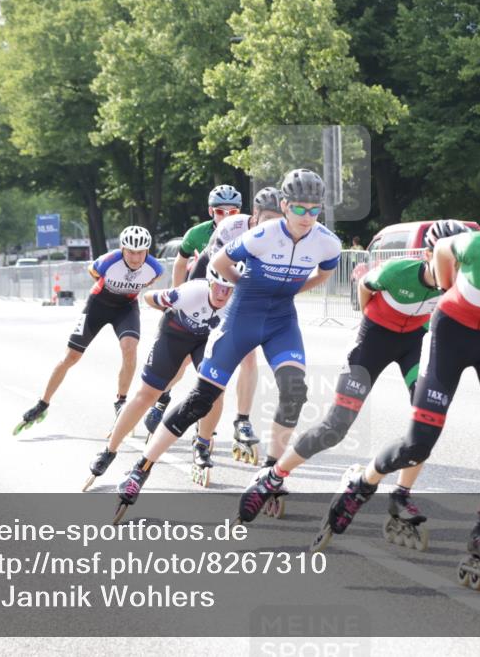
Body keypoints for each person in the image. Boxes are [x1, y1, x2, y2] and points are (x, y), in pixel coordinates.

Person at [313, 177, 480, 596]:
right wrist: (450, 289)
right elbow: (442, 251)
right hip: (449, 334)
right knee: (417, 445)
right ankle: (363, 482)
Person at [112, 169, 341, 518]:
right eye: (299, 208)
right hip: (242, 318)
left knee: (295, 392)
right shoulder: (262, 234)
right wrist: (244, 286)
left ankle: (270, 475)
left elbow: (324, 273)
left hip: (281, 322)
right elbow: (219, 261)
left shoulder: (327, 241)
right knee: (199, 401)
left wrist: (293, 290)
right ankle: (140, 469)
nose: (306, 217)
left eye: (314, 210)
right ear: (285, 205)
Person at [236, 219, 471, 542]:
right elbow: (364, 286)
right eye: (450, 260)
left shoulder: (461, 285)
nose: (456, 269)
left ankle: (401, 495)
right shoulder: (398, 271)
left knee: (427, 422)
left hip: (413, 346)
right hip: (372, 342)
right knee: (335, 427)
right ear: (430, 254)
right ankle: (272, 477)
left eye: (462, 261)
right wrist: (368, 323)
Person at [81, 263, 243, 491]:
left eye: (229, 289)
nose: (222, 294)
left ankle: (202, 445)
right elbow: (149, 297)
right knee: (146, 395)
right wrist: (168, 308)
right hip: (174, 335)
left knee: (214, 392)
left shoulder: (240, 303)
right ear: (209, 283)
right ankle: (109, 450)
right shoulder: (190, 292)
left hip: (206, 341)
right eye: (218, 286)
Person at [13, 226, 162, 436]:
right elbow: (93, 272)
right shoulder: (108, 261)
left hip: (126, 307)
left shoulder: (155, 268)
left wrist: (124, 291)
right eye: (131, 252)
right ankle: (43, 403)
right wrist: (112, 289)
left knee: (130, 348)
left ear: (147, 251)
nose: (136, 258)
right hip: (98, 305)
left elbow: (150, 280)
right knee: (71, 357)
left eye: (141, 252)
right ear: (122, 249)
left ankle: (120, 402)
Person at [145, 185, 247, 436]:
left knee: (228, 365)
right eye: (220, 212)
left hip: (229, 295)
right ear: (211, 211)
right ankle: (163, 397)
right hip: (201, 288)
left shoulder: (247, 231)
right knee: (183, 361)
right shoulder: (197, 233)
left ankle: (228, 423)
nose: (226, 216)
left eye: (232, 211)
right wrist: (177, 297)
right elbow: (180, 263)